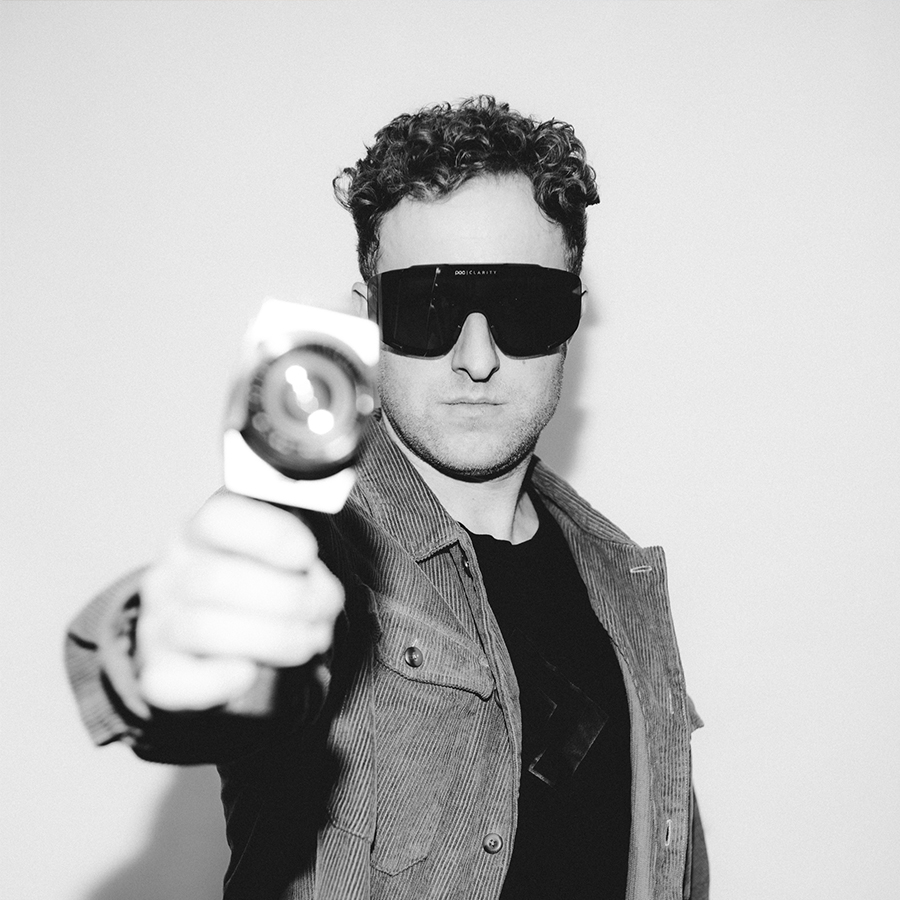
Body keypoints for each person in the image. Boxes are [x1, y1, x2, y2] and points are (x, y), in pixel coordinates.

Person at [66, 96, 708, 900]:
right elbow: (215, 646)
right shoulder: (319, 544)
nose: (477, 357)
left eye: (522, 306)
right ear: (369, 316)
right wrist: (161, 645)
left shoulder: (620, 578)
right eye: (429, 307)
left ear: (571, 314)